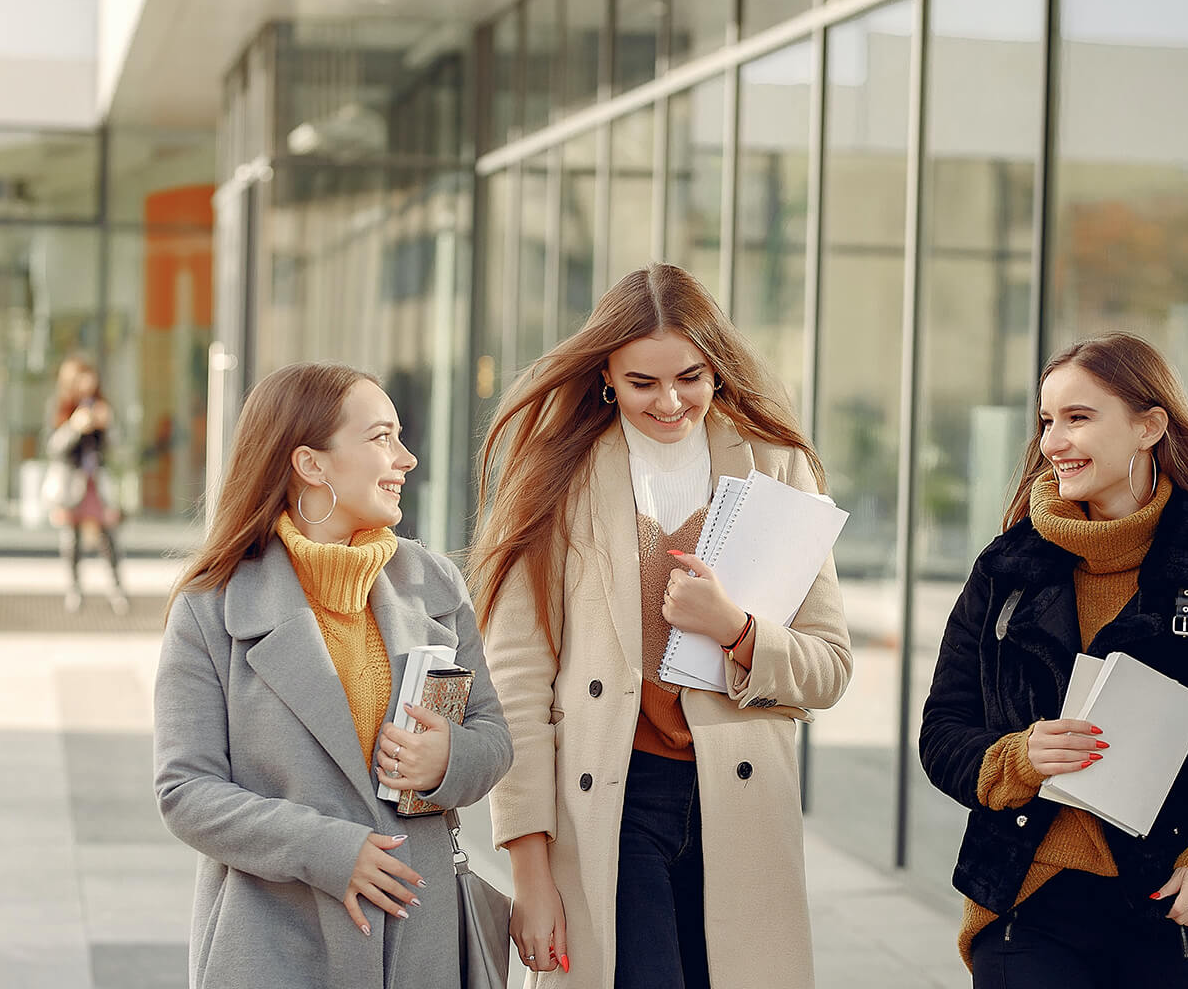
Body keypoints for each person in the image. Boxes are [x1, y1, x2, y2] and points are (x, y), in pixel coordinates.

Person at [919, 331, 1188, 989]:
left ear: (1149, 427)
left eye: (1079, 418)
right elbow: (943, 731)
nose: (1054, 442)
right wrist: (1017, 758)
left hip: (1169, 905)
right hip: (1025, 907)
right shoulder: (1007, 569)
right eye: (1047, 421)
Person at [471, 263, 852, 989]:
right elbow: (516, 683)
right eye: (643, 383)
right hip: (610, 798)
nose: (670, 401)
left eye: (691, 377)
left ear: (718, 367)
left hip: (739, 802)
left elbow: (829, 666)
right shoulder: (556, 474)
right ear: (606, 375)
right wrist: (529, 870)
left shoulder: (778, 466)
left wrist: (736, 628)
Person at [153, 361, 512, 988]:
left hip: (420, 944)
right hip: (276, 944)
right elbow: (187, 791)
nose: (406, 459)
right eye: (381, 437)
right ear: (311, 464)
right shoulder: (211, 607)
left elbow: (495, 738)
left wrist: (447, 757)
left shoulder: (434, 585)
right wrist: (327, 850)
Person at [45, 356, 128, 614]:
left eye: (90, 376)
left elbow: (117, 446)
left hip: (97, 483)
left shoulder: (102, 406)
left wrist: (107, 424)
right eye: (82, 377)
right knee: (71, 538)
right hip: (71, 482)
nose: (88, 382)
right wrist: (74, 427)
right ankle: (74, 589)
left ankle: (116, 589)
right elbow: (52, 448)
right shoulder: (60, 406)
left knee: (107, 537)